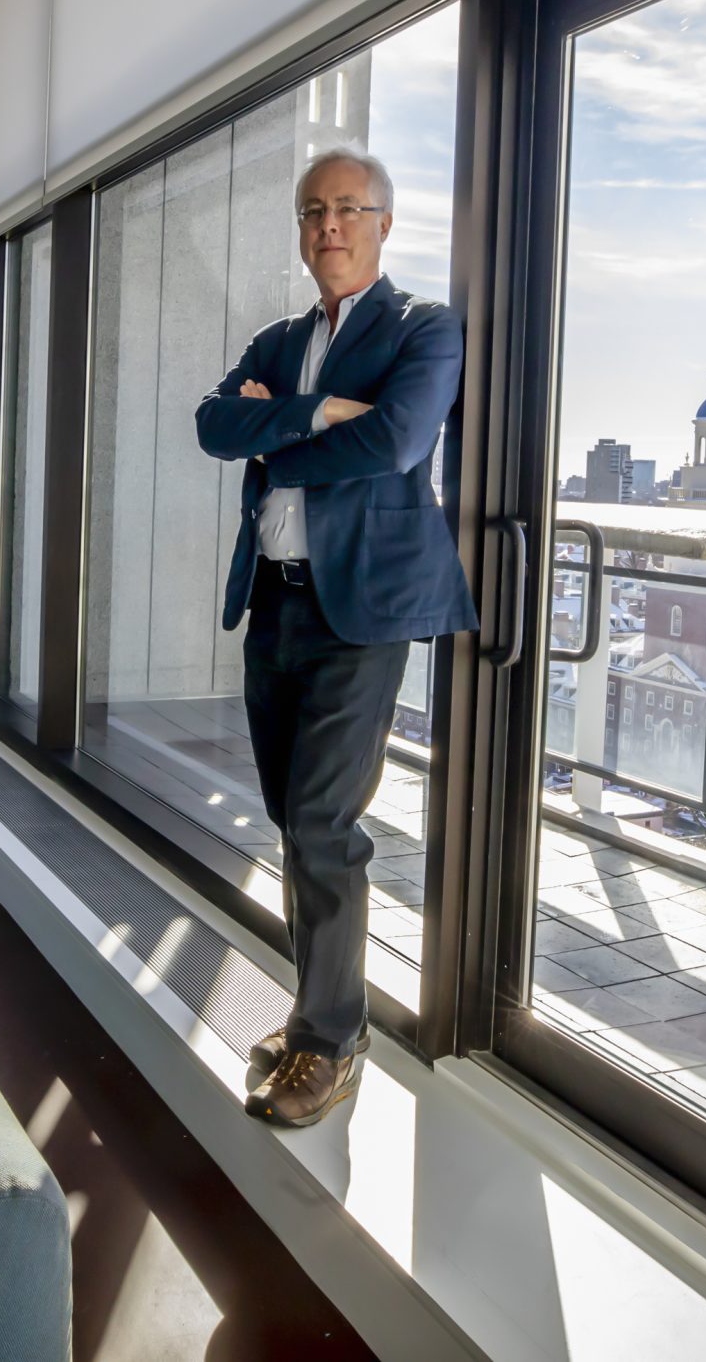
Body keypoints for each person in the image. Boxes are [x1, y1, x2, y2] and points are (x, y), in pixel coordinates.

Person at [193, 144, 477, 1128]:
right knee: (291, 817)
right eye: (313, 210)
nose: (328, 227)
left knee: (321, 821)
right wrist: (315, 410)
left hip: (359, 611)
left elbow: (394, 441)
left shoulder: (423, 328)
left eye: (349, 208)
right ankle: (319, 1013)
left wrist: (282, 429)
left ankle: (328, 1037)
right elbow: (214, 426)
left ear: (384, 223)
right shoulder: (277, 340)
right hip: (274, 601)